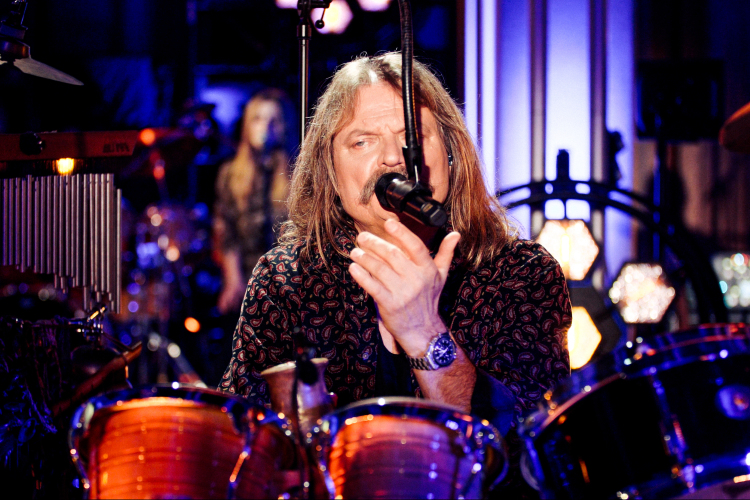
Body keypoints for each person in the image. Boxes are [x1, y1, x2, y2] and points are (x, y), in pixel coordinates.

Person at [219, 53, 571, 494]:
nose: (392, 159)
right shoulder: (285, 279)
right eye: (362, 142)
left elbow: (533, 463)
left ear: (450, 152)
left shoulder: (521, 273)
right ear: (331, 171)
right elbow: (234, 450)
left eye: (412, 138)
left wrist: (423, 330)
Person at [213, 89, 292, 314]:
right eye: (258, 119)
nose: (266, 126)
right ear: (247, 125)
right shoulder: (230, 174)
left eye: (273, 120)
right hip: (248, 280)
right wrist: (233, 280)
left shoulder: (296, 174)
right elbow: (226, 233)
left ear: (284, 127)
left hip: (287, 284)